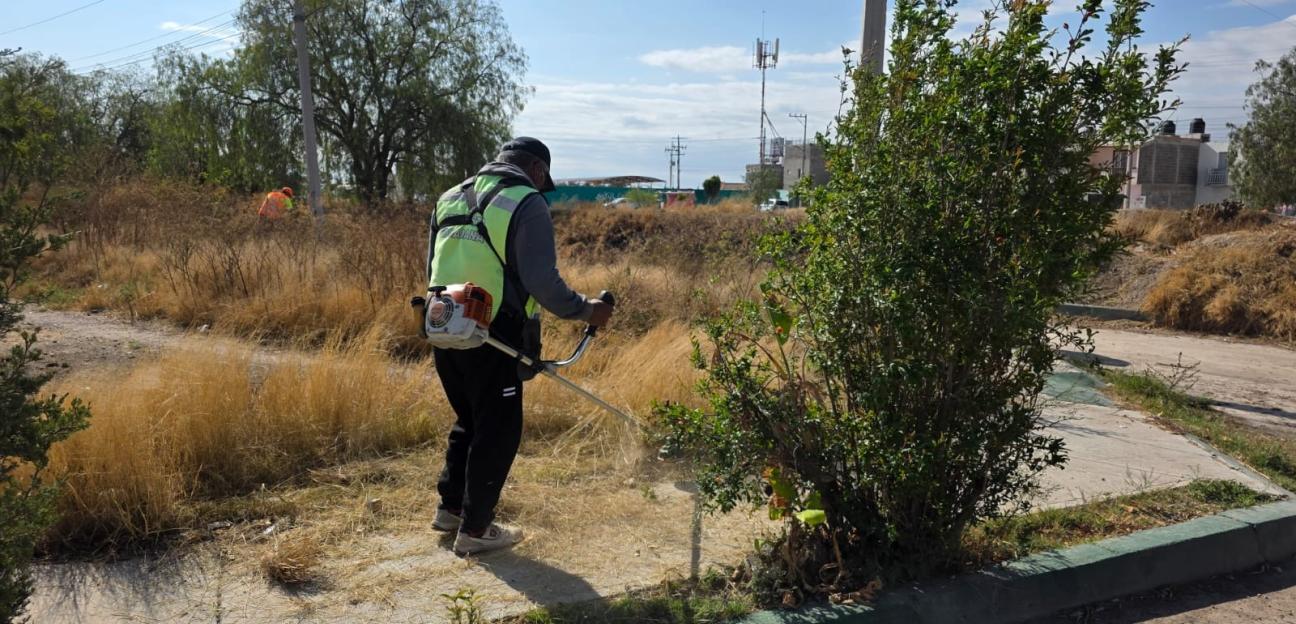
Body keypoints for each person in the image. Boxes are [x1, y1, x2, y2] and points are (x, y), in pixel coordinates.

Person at [425, 137, 614, 555]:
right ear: (538, 170)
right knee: (499, 429)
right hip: (495, 335)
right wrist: (587, 311)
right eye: (543, 180)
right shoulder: (526, 202)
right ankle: (475, 530)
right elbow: (542, 282)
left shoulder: (449, 198)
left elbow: (431, 268)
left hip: (444, 324)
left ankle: (451, 509)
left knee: (470, 420)